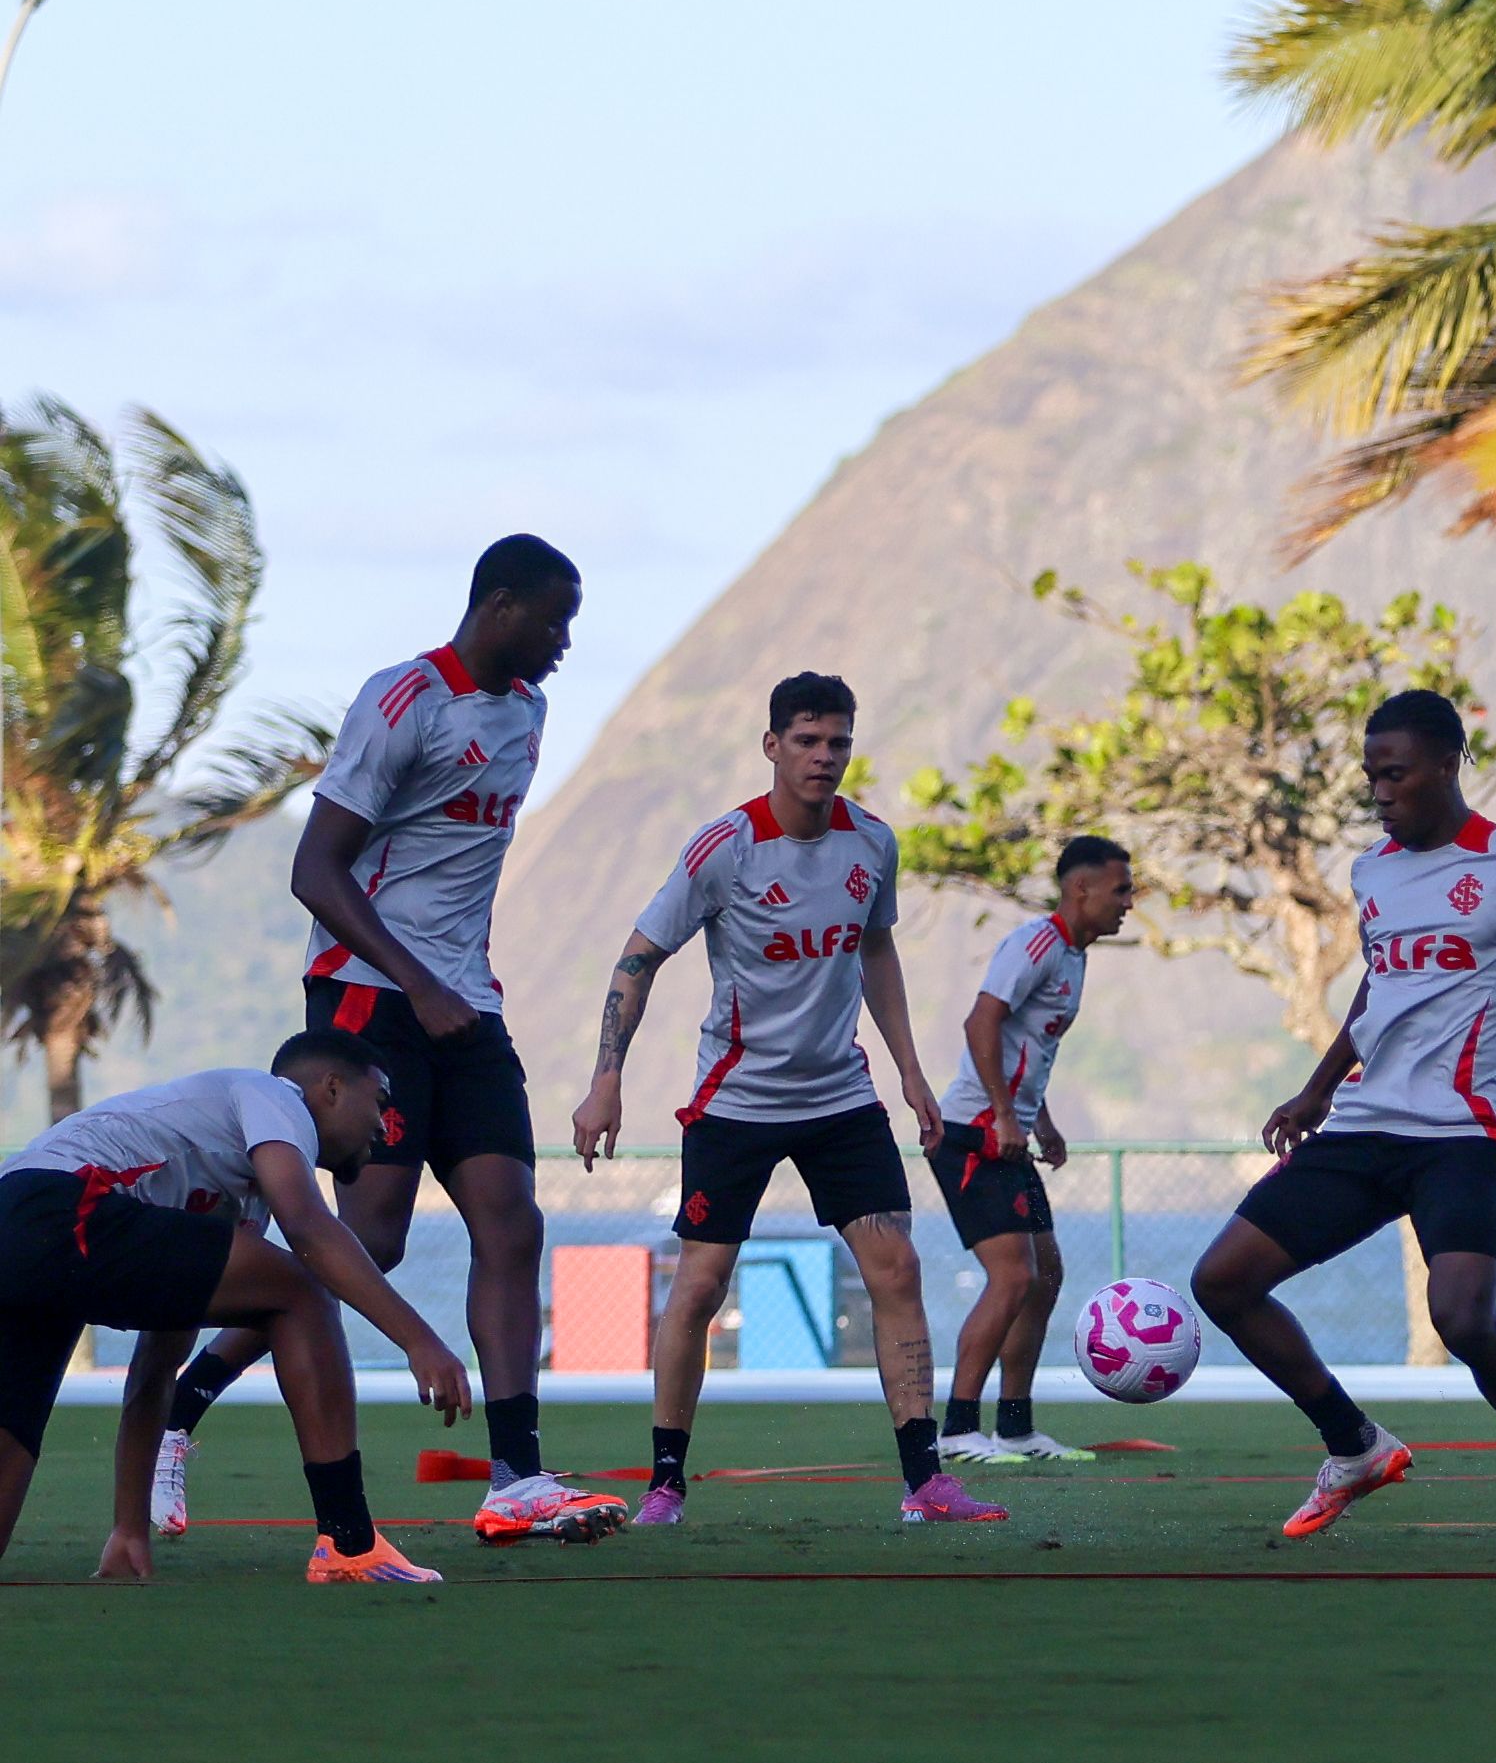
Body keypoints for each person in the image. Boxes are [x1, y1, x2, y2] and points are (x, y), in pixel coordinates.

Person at [156, 535, 623, 1548]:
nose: (564, 642)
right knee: (369, 1240)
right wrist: (416, 979)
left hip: (468, 1007)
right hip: (373, 1001)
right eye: (552, 620)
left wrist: (456, 985)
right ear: (497, 607)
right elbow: (316, 871)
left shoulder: (529, 713)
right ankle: (176, 1415)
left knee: (512, 1219)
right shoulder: (403, 701)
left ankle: (516, 1477)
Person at [1188, 691, 1496, 1555]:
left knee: (1463, 1318)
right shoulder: (1372, 871)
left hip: (1464, 1132)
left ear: (1447, 764)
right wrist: (1320, 1086)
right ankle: (1354, 1445)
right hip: (1365, 1126)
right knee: (1222, 1281)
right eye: (1371, 775)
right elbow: (1380, 986)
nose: (1379, 790)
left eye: (1394, 773)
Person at [574, 672, 1007, 1528]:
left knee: (899, 1267)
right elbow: (638, 957)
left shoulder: (872, 844)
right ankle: (665, 1483)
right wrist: (606, 1077)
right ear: (772, 746)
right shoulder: (725, 849)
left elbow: (875, 951)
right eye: (807, 740)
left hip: (840, 1095)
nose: (824, 757)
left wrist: (911, 1071)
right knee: (699, 1284)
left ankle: (926, 1482)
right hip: (735, 1098)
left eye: (838, 742)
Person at [3, 1035, 472, 1584]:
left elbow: (158, 1362)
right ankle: (349, 1544)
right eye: (380, 1098)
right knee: (304, 1289)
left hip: (20, 1220)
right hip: (60, 1205)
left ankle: (137, 1543)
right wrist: (420, 1341)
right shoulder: (275, 1097)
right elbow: (310, 1230)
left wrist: (128, 1529)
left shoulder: (229, 1189)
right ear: (331, 1089)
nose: (385, 1123)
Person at [929, 834, 1135, 1468]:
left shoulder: (1075, 957)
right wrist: (1000, 1113)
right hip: (972, 1133)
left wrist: (1039, 1120)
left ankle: (1015, 1428)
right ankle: (959, 1430)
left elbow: (1028, 1048)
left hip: (1009, 1135)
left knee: (1045, 1276)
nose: (1129, 901)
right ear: (1082, 889)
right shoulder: (1036, 944)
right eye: (1120, 889)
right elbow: (981, 1021)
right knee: (1012, 1275)